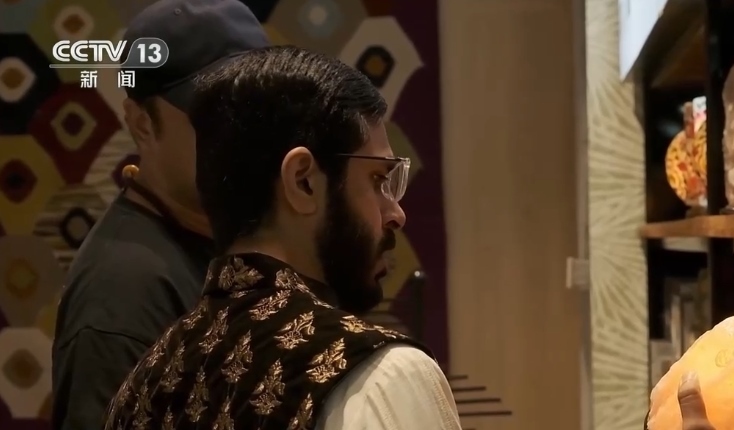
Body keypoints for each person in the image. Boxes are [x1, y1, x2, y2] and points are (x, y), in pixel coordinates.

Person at [103, 46, 461, 430]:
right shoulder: (383, 379)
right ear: (303, 181)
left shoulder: (143, 388)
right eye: (377, 180)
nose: (396, 214)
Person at [51, 1, 269, 428]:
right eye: (214, 116)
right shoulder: (122, 297)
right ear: (142, 124)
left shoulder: (241, 236)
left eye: (257, 109)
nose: (245, 134)